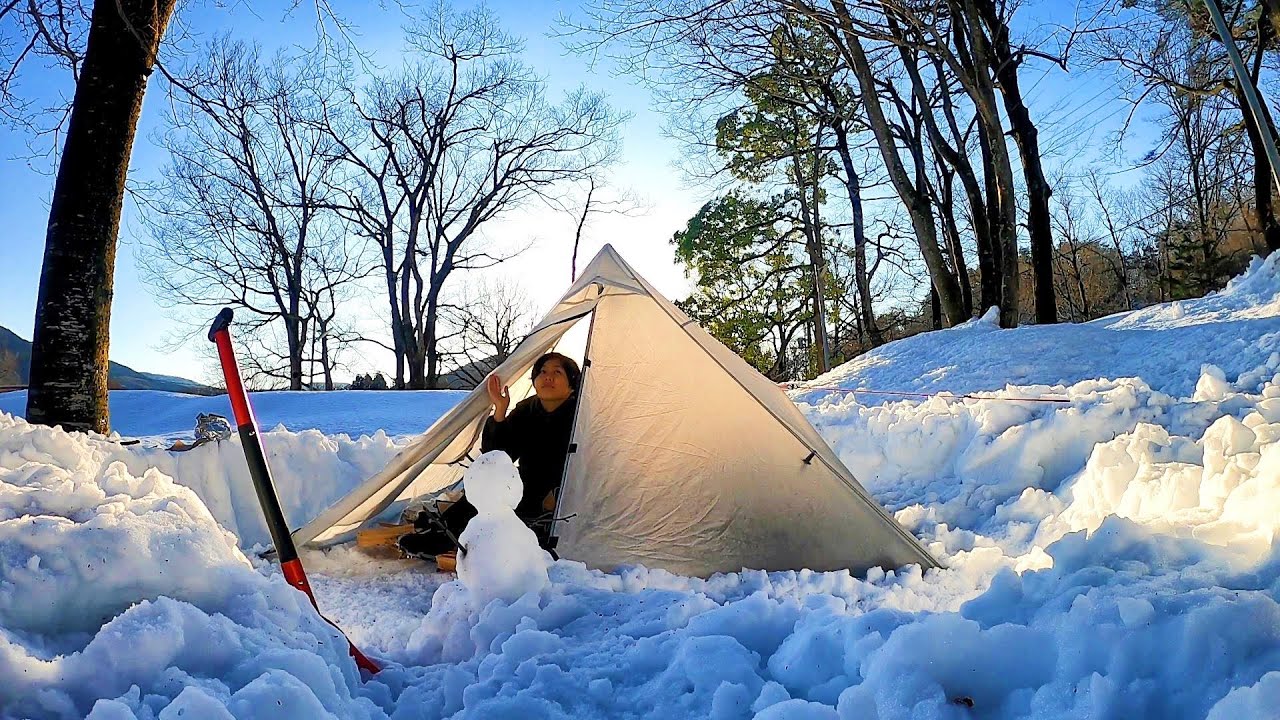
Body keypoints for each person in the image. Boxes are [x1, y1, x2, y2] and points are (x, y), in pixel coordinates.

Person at [398, 352, 582, 558]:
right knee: (487, 489)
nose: (548, 377)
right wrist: (500, 410)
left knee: (501, 508)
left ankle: (445, 538)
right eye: (543, 372)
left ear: (572, 383)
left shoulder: (581, 415)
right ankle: (442, 532)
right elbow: (498, 454)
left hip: (560, 492)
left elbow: (591, 464)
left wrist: (560, 493)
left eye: (557, 372)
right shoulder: (528, 409)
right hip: (525, 482)